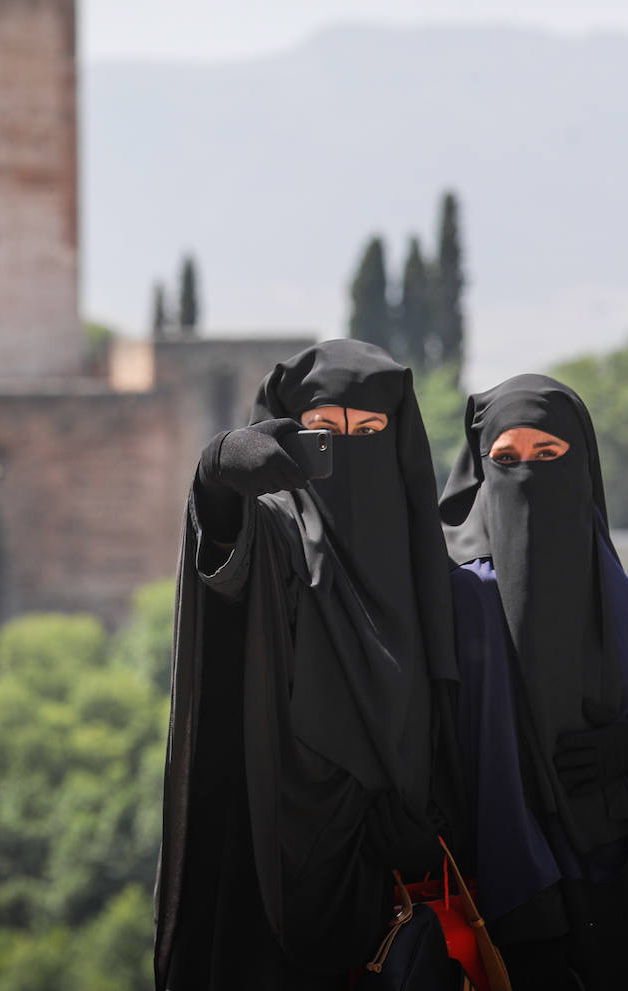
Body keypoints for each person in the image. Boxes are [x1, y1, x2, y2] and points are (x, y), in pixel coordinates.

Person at [153, 339, 459, 990]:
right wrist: (216, 474)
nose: (349, 450)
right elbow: (227, 569)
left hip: (397, 888)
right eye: (325, 431)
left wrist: (428, 817)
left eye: (370, 431)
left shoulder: (423, 560)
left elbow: (454, 703)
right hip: (277, 864)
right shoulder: (279, 532)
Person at [438, 374, 628, 990]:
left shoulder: (605, 581)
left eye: (548, 455)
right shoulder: (464, 593)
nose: (528, 473)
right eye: (506, 459)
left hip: (605, 868)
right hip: (498, 884)